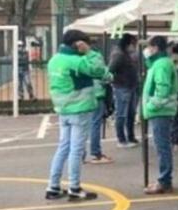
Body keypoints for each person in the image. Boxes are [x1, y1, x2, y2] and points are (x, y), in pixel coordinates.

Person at [46, 30, 105, 200]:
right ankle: (74, 187)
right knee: (76, 149)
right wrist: (90, 52)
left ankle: (53, 186)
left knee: (63, 147)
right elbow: (98, 70)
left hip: (62, 109)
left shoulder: (54, 60)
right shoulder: (76, 61)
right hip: (79, 108)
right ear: (78, 44)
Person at [141, 35, 178, 194]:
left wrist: (151, 105)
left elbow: (162, 90)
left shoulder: (161, 65)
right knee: (162, 146)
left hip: (160, 111)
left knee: (162, 146)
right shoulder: (159, 63)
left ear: (155, 48)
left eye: (148, 46)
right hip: (160, 110)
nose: (146, 50)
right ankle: (164, 179)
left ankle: (164, 180)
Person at [85, 41, 114, 165]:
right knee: (95, 124)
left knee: (82, 126)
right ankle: (96, 153)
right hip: (96, 94)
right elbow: (106, 75)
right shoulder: (96, 57)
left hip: (82, 96)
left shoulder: (77, 58)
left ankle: (80, 154)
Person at [109, 34, 139, 148]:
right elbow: (111, 70)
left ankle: (131, 137)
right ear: (129, 43)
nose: (135, 46)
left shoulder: (126, 54)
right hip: (122, 87)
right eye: (134, 43)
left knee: (131, 113)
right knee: (121, 114)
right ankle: (121, 139)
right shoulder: (119, 55)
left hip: (130, 86)